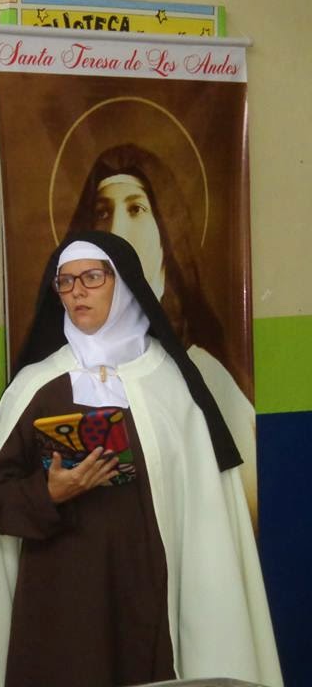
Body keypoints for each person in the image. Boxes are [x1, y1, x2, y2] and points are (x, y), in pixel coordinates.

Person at [0, 232, 281, 687]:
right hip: (64, 597)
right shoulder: (36, 386)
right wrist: (48, 493)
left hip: (153, 589)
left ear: (125, 284)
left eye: (92, 277)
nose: (77, 292)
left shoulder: (171, 382)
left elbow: (205, 504)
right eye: (65, 281)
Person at [65, 143, 259, 514]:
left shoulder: (205, 377)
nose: (117, 230)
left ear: (166, 233)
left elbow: (239, 511)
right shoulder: (59, 371)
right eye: (102, 212)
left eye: (136, 209)